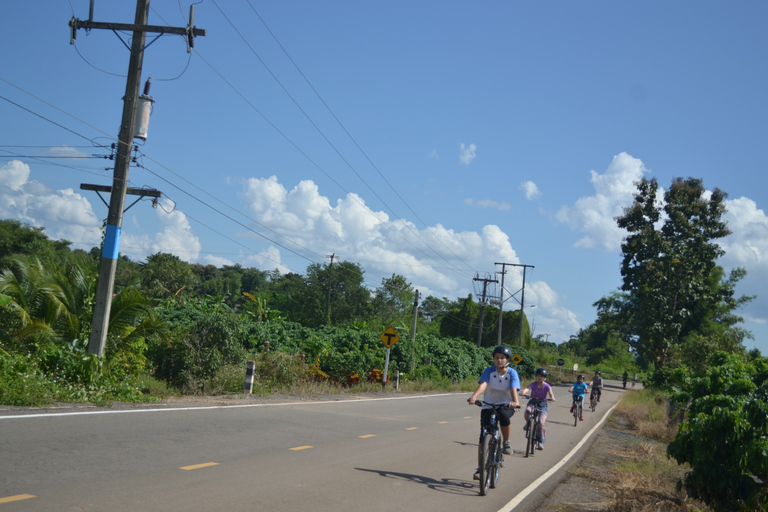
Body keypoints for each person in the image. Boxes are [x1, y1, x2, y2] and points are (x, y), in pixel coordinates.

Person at [468, 345, 520, 480]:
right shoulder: (489, 371)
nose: (499, 360)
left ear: (507, 359)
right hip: (488, 404)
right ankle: (480, 468)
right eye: (497, 357)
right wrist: (474, 396)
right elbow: (483, 384)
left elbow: (514, 387)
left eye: (502, 358)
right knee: (483, 436)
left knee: (503, 416)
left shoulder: (512, 373)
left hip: (506, 404)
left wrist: (515, 402)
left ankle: (506, 442)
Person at [520, 367, 556, 450]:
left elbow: (551, 394)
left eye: (542, 376)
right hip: (533, 401)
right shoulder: (533, 384)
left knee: (541, 422)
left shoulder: (547, 386)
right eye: (538, 376)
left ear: (544, 377)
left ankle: (540, 442)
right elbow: (527, 388)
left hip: (543, 404)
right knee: (527, 411)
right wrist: (523, 392)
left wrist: (552, 398)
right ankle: (528, 423)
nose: (539, 378)